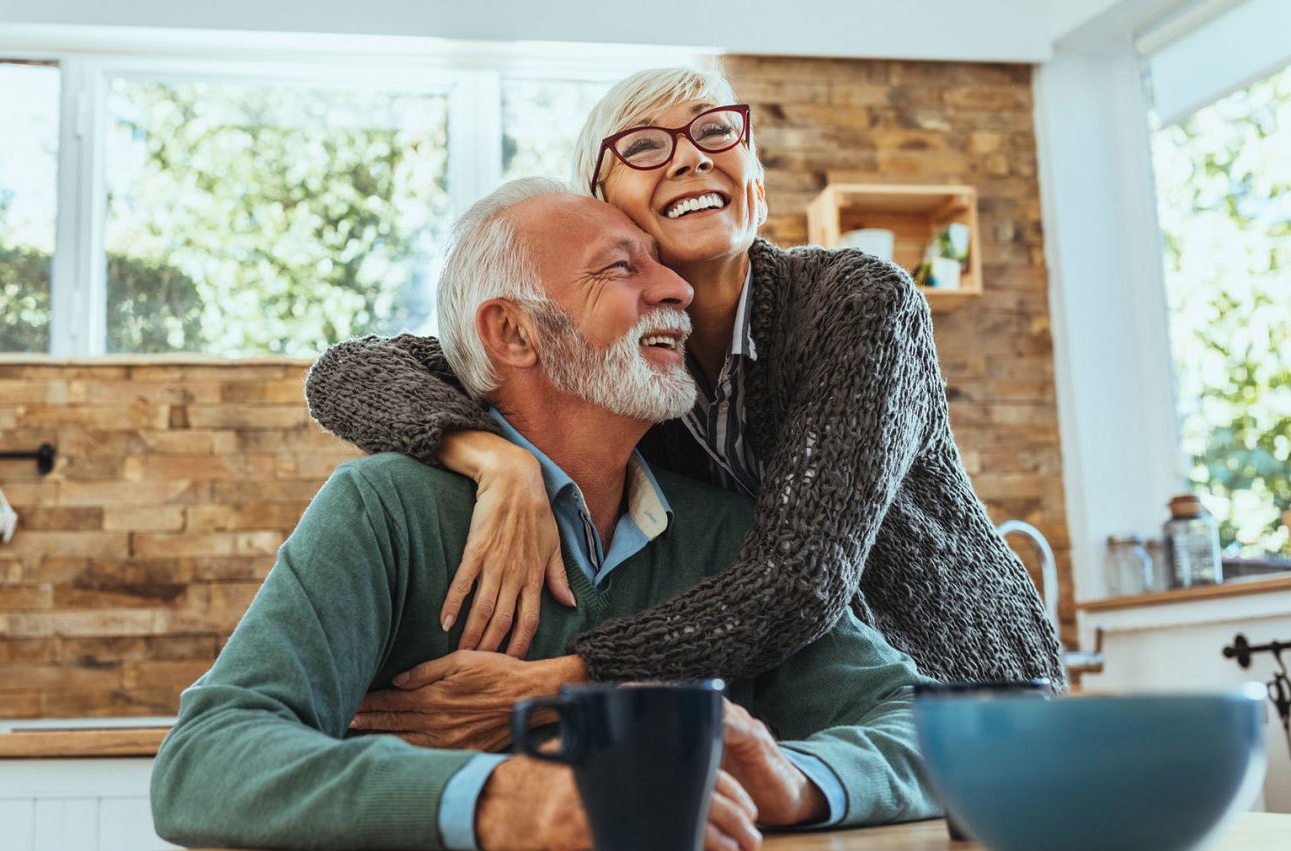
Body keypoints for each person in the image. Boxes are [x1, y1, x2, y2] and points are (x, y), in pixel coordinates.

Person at [150, 179, 938, 851]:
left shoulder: (728, 535)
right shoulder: (384, 510)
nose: (677, 289)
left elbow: (924, 728)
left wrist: (798, 782)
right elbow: (207, 759)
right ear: (513, 332)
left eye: (661, 265)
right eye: (622, 269)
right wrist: (505, 799)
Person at [303, 67, 1062, 747]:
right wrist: (492, 457)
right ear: (604, 210)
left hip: (964, 688)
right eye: (642, 147)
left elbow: (799, 580)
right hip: (804, 719)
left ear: (756, 185)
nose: (693, 156)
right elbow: (348, 371)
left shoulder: (857, 304)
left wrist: (559, 680)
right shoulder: (613, 362)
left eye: (714, 131)